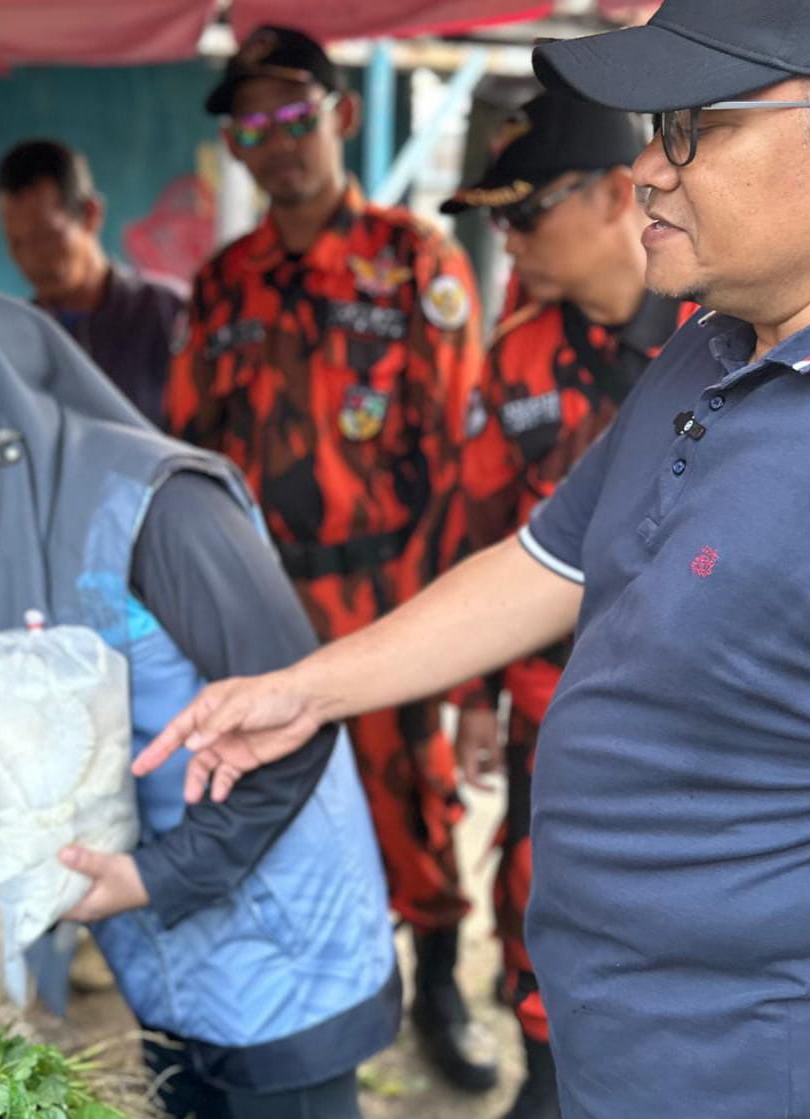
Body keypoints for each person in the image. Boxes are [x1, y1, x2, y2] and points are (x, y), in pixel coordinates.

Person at [136, 2, 810, 1114]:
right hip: (619, 1038)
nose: (646, 170)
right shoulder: (703, 351)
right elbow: (540, 561)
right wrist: (302, 688)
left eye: (691, 126)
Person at [0, 291, 398, 1119]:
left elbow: (295, 727)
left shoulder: (161, 509)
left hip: (278, 948)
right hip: (161, 944)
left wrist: (151, 876)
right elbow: (41, 731)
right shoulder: (1, 539)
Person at [164, 24, 494, 1092]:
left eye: (291, 113)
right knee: (278, 796)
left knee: (412, 792)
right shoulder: (221, 284)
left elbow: (460, 460)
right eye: (250, 125)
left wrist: (459, 640)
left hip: (390, 586)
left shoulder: (415, 262)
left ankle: (437, 985)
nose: (274, 141)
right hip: (260, 596)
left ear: (339, 117)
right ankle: (313, 994)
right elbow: (189, 453)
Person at [439, 89, 692, 1119]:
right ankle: (543, 1086)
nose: (507, 239)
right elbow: (480, 536)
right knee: (537, 907)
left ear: (610, 196)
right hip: (554, 709)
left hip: (695, 711)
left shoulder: (723, 330)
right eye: (495, 218)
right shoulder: (518, 360)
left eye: (525, 212)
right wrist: (467, 698)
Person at [0, 139, 185, 428]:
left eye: (47, 237)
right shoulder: (16, 337)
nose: (31, 259)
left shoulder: (170, 314)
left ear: (91, 214)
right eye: (16, 242)